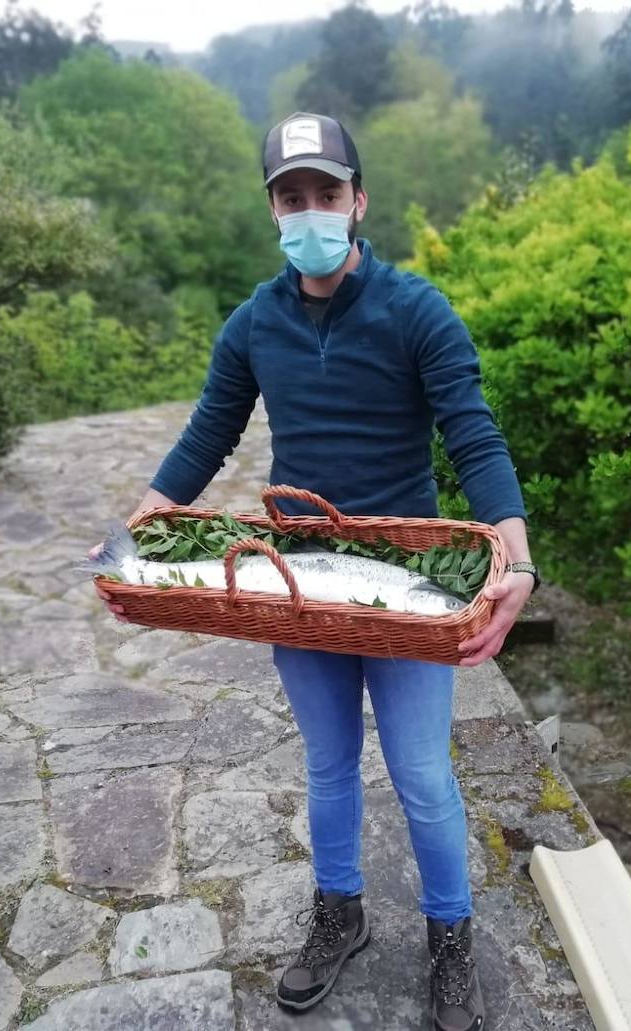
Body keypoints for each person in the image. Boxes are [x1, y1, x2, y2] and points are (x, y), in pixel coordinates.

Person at [94, 111, 539, 1030]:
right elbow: (209, 434)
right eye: (290, 197)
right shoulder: (255, 323)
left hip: (407, 584)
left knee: (421, 772)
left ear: (358, 200)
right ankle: (340, 916)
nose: (309, 213)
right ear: (273, 211)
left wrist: (519, 559)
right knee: (330, 765)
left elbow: (473, 433)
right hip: (298, 581)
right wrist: (142, 524)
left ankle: (449, 936)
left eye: (325, 194)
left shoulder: (418, 310)